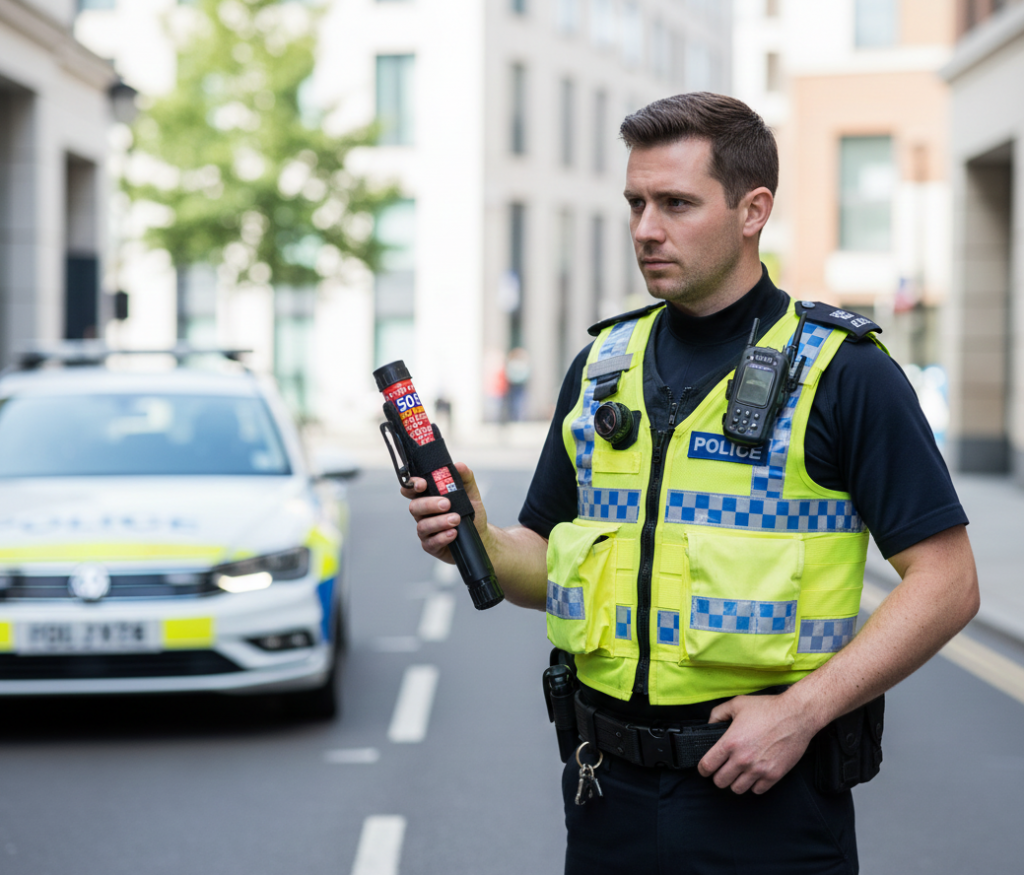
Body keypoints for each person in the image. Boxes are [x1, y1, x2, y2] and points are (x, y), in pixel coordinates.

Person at [401, 93, 979, 874]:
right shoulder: (602, 367)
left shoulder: (845, 374)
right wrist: (477, 535)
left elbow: (947, 581)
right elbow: (542, 564)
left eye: (675, 203)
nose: (645, 228)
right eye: (636, 202)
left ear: (753, 210)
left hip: (768, 805)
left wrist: (801, 713)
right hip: (605, 797)